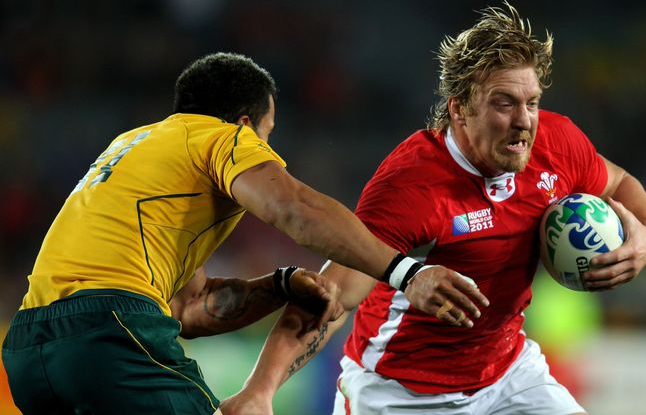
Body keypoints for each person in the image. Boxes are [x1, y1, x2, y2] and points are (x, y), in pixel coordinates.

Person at [233, 2, 646, 415]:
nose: (524, 120)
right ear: (459, 108)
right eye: (503, 102)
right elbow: (333, 296)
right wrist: (259, 390)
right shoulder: (413, 184)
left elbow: (618, 182)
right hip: (401, 391)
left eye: (531, 102)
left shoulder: (557, 142)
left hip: (508, 374)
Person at [1, 52, 487, 415]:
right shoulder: (220, 138)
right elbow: (293, 209)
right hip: (108, 332)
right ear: (244, 123)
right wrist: (405, 271)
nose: (266, 149)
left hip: (28, 351)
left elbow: (188, 310)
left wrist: (277, 287)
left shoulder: (133, 148)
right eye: (268, 134)